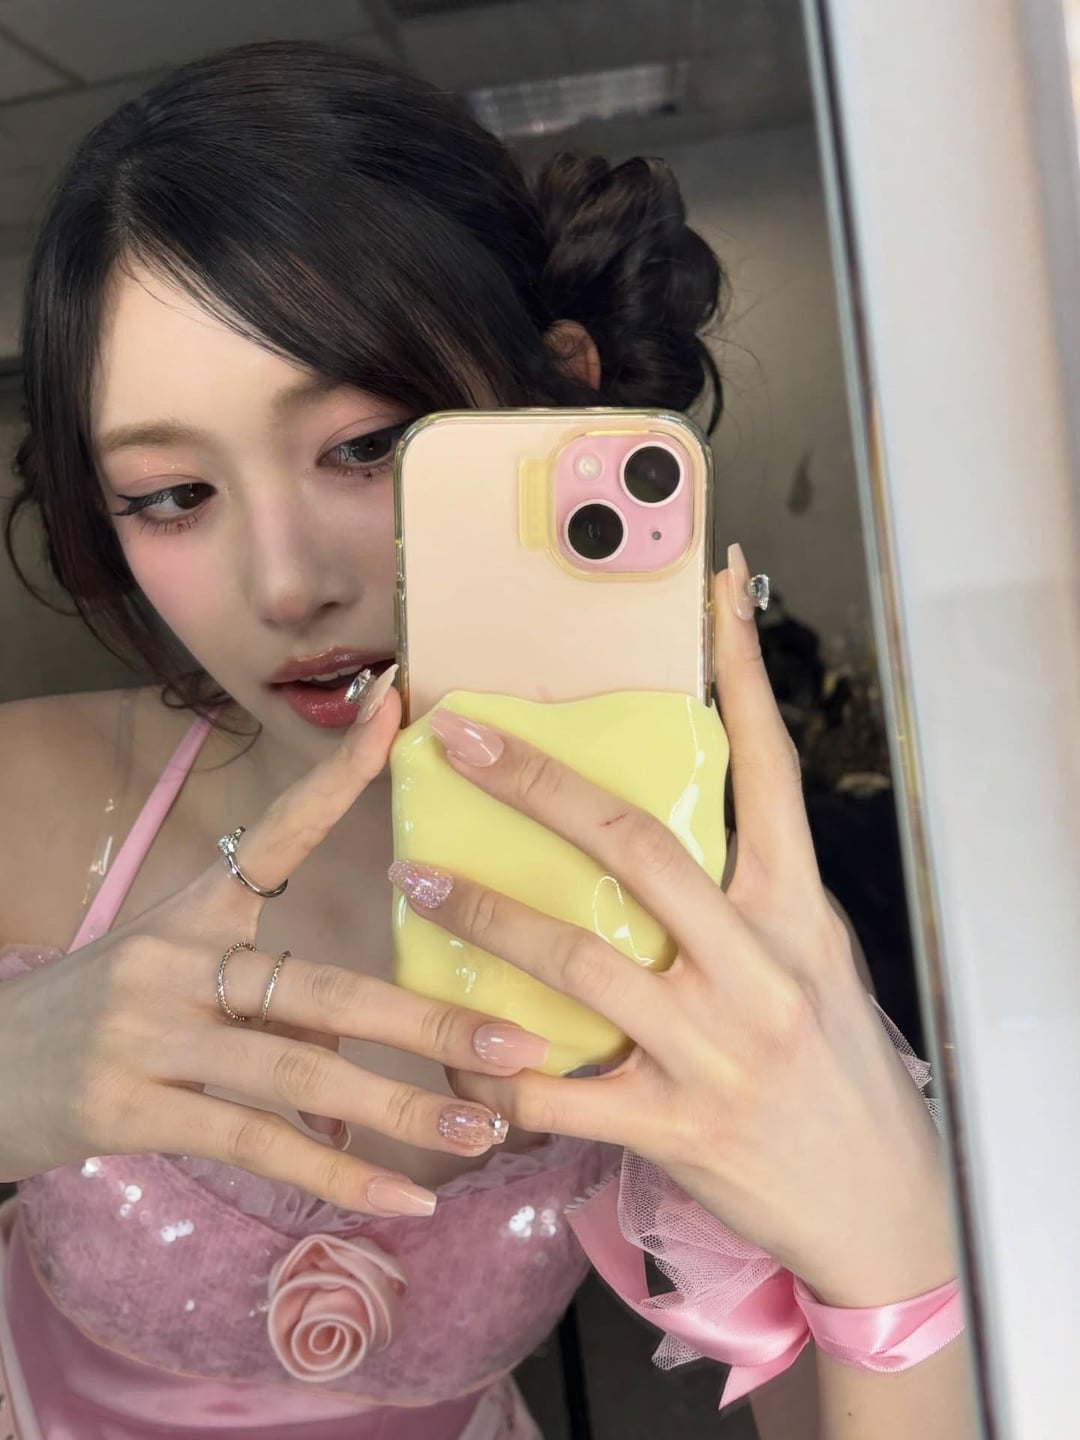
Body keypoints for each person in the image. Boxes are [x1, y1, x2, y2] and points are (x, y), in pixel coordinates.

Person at [0, 40, 975, 1440]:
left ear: (555, 399)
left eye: (367, 444)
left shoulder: (702, 931)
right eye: (171, 494)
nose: (287, 586)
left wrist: (897, 1257)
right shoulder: (24, 799)